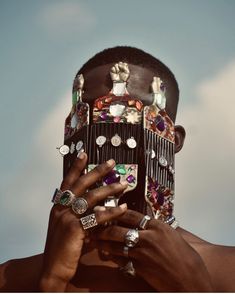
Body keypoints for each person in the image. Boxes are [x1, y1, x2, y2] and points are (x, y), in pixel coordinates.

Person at [0, 46, 235, 292]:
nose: (112, 128)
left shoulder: (226, 269)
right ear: (72, 130)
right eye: (93, 115)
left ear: (173, 139)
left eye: (134, 115)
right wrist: (51, 282)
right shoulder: (11, 280)